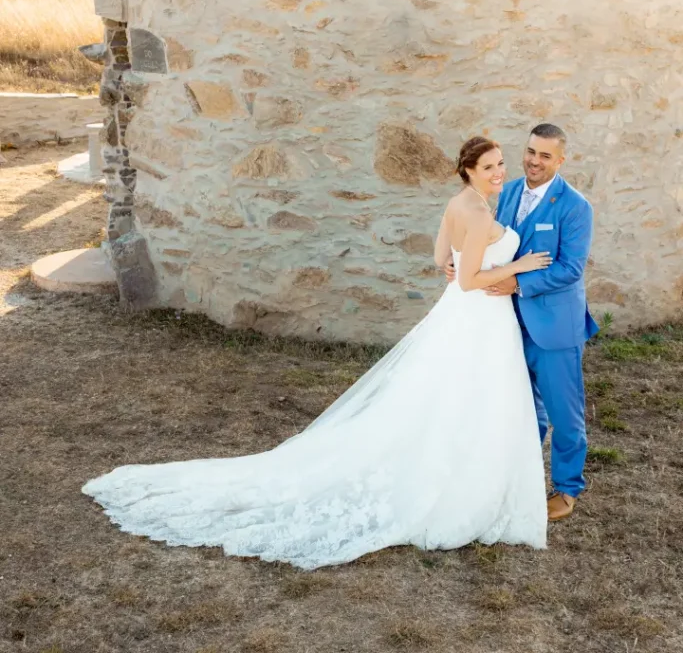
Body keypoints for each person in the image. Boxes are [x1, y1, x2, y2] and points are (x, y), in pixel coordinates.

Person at [82, 137, 550, 570]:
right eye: (488, 166)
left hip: (465, 319)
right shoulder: (480, 214)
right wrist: (519, 265)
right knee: (468, 399)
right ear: (467, 170)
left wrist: (456, 264)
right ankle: (461, 492)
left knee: (449, 399)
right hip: (478, 320)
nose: (498, 172)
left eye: (500, 164)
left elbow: (438, 260)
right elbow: (468, 280)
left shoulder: (458, 204)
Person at [445, 124, 598, 522]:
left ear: (560, 160)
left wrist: (518, 282)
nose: (534, 160)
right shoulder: (507, 190)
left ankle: (566, 489)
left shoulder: (576, 207)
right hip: (507, 323)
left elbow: (570, 268)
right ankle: (521, 480)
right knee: (522, 408)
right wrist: (459, 263)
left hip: (553, 326)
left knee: (565, 412)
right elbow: (487, 241)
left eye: (545, 155)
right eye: (531, 151)